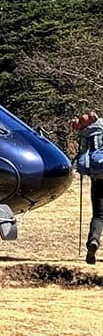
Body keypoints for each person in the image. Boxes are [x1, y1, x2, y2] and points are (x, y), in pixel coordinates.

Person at [73, 112, 103, 264]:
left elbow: (83, 154)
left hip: (97, 176)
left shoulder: (86, 134)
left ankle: (94, 241)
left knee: (98, 214)